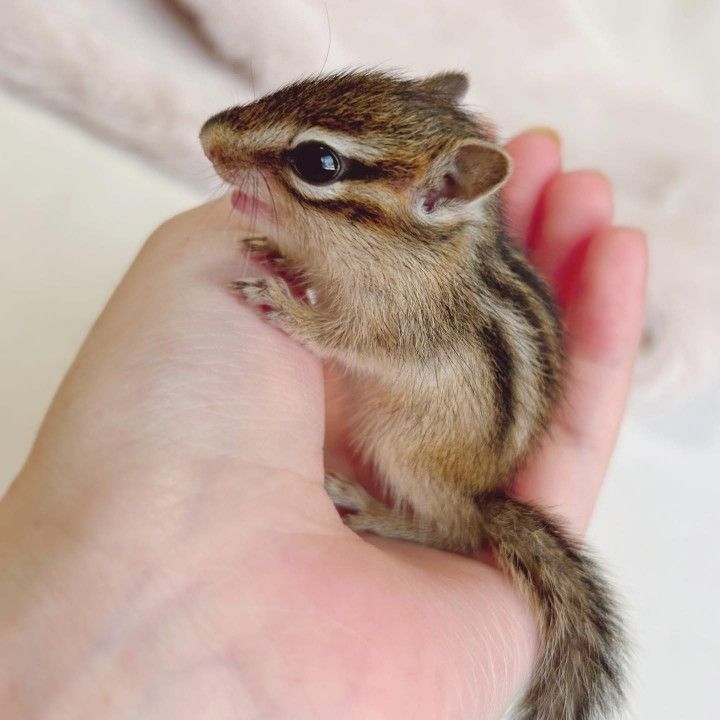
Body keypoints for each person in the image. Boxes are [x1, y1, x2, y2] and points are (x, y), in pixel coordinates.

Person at [0, 130, 646, 719]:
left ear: (440, 194)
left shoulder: (425, 281)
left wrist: (305, 319)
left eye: (316, 163)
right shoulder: (389, 253)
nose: (219, 145)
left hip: (450, 434)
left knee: (405, 444)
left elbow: (392, 344)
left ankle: (421, 521)